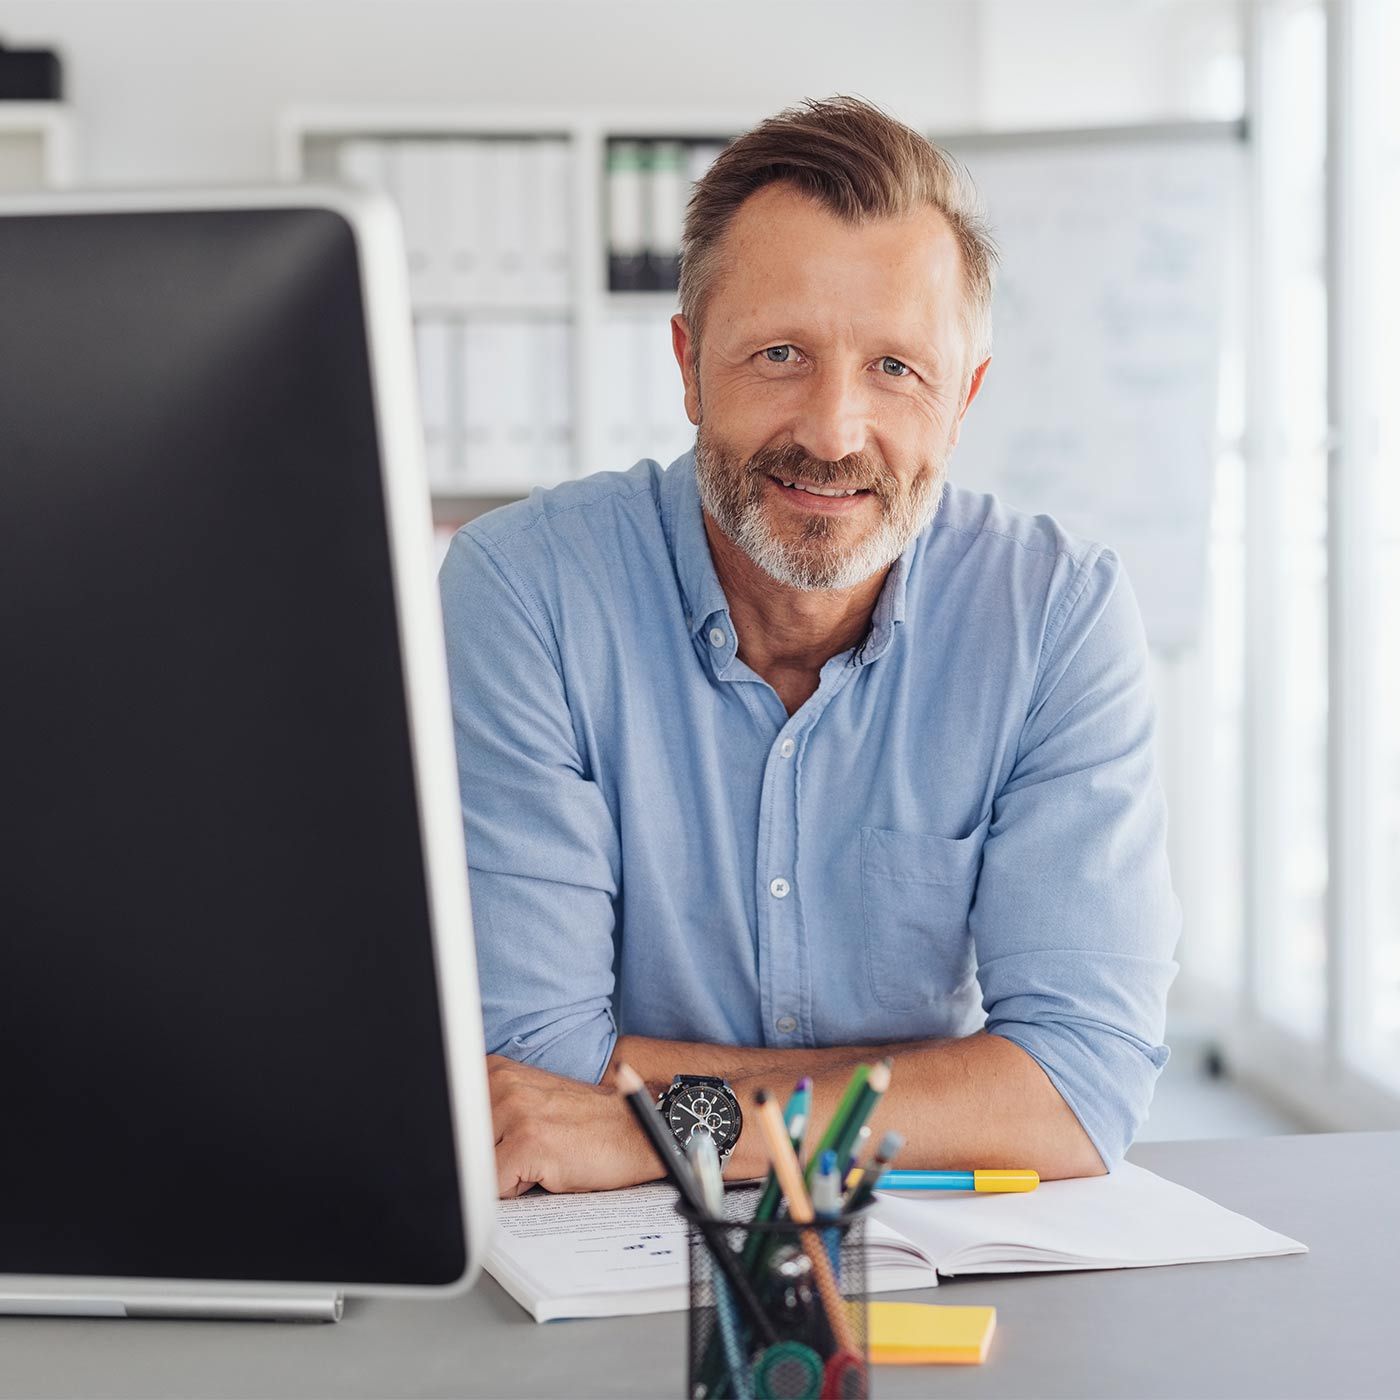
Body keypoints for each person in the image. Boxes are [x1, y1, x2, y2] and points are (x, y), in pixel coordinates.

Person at [439, 95, 1179, 1199]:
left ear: (962, 397)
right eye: (779, 353)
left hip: (927, 1262)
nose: (833, 432)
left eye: (894, 368)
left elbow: (1074, 1089)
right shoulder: (525, 589)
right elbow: (532, 1068)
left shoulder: (1054, 616)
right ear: (688, 367)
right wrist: (943, 1092)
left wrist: (653, 1122)